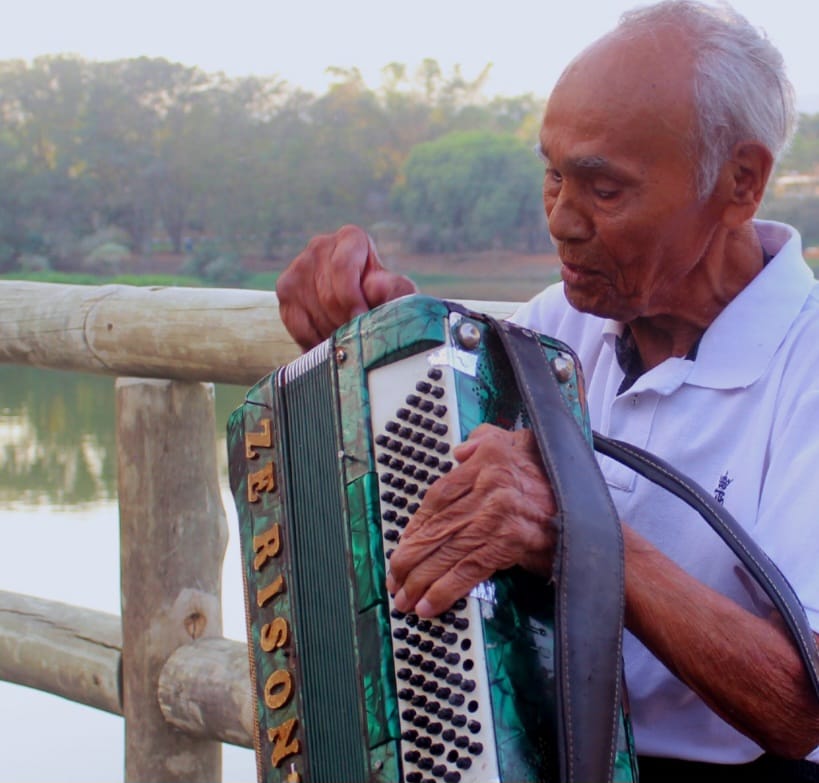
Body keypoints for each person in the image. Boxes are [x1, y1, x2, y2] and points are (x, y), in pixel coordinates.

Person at [275, 1, 819, 779]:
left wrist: (576, 528)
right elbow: (450, 459)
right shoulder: (560, 322)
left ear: (739, 183)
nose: (560, 221)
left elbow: (799, 707)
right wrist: (374, 332)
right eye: (552, 174)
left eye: (603, 190)